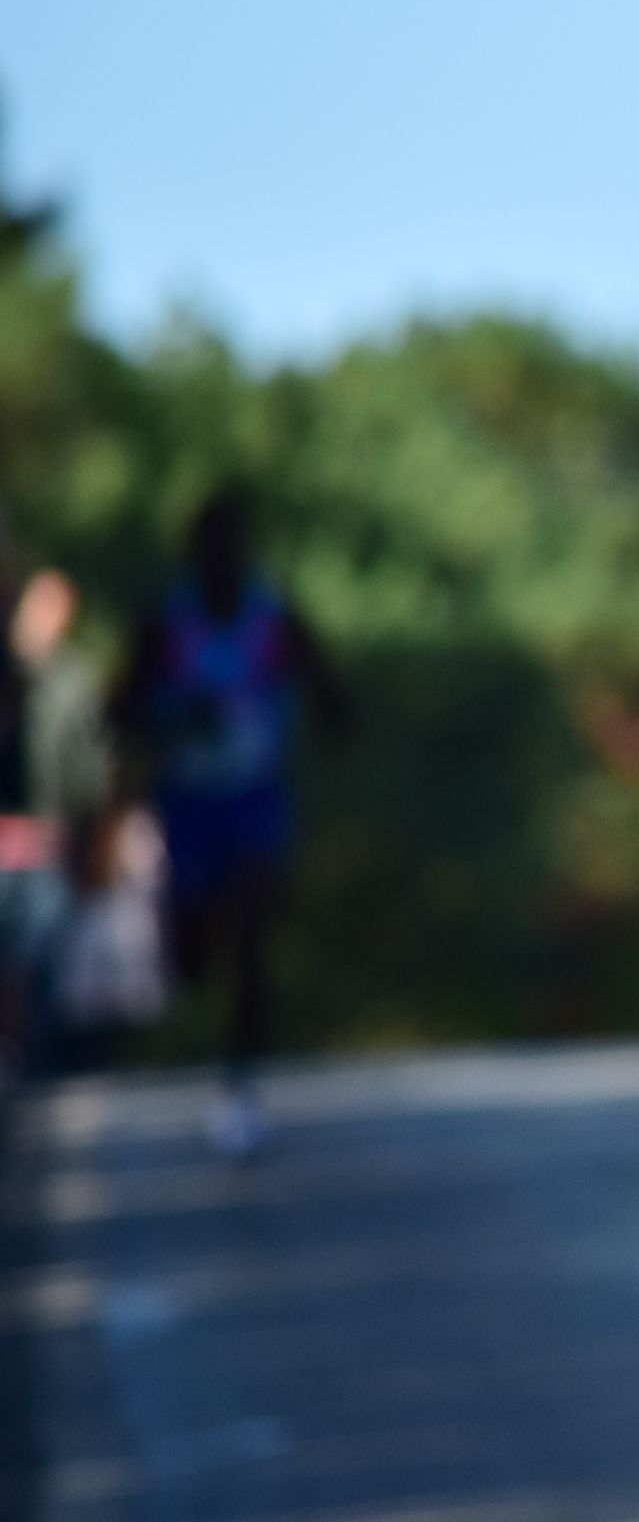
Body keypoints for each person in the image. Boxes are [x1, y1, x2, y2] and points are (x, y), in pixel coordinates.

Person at [111, 486, 345, 1154]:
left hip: (253, 799)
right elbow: (118, 710)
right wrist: (174, 716)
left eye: (233, 546)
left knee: (251, 932)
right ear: (195, 554)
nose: (224, 559)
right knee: (191, 951)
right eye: (212, 547)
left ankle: (240, 1085)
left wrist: (330, 713)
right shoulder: (166, 621)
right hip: (187, 803)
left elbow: (328, 685)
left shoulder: (273, 616)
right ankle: (183, 984)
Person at [2, 566, 113, 1085]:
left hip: (44, 850)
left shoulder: (73, 682)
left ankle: (31, 1075)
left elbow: (90, 778)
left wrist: (92, 849)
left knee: (36, 971)